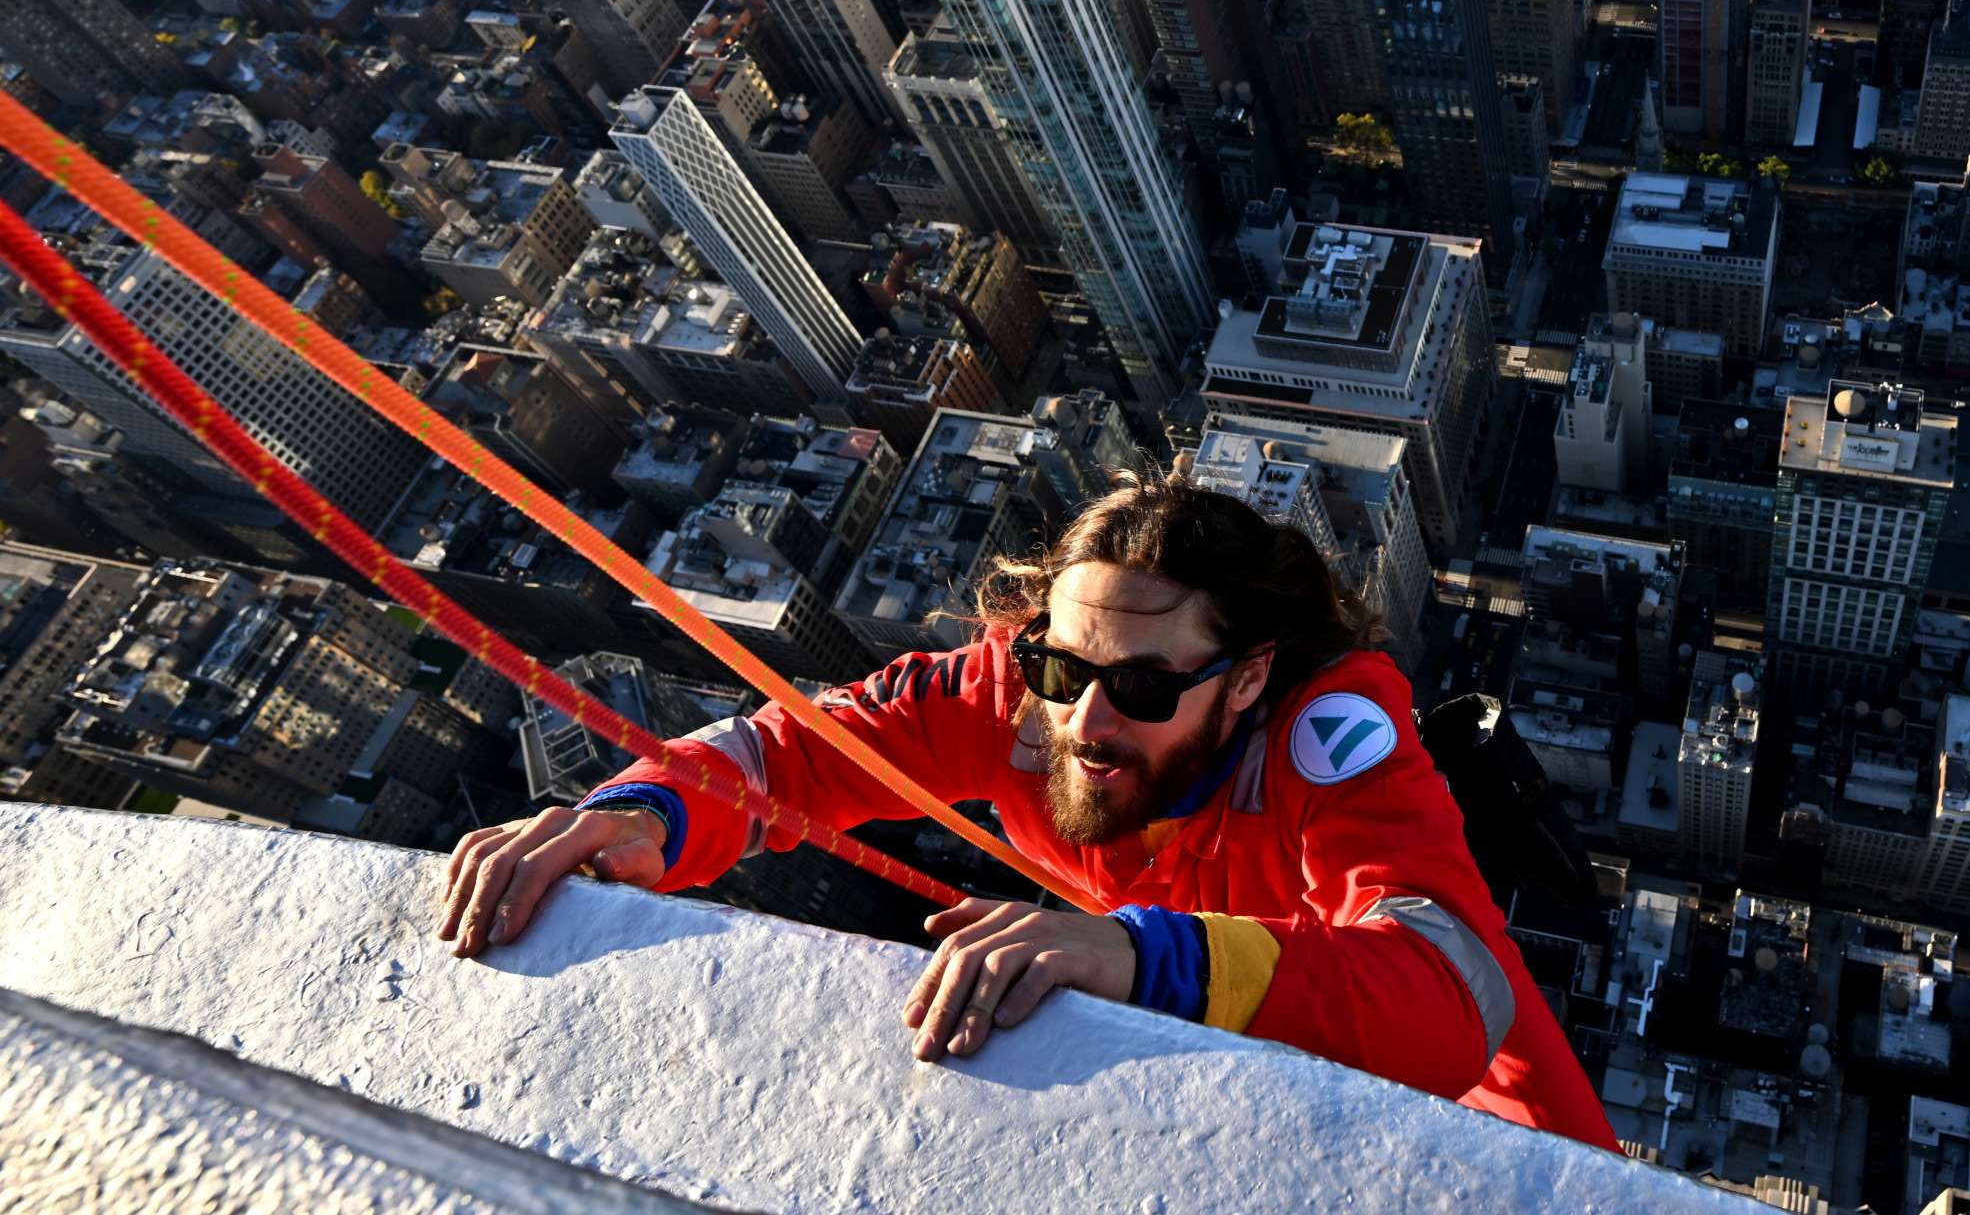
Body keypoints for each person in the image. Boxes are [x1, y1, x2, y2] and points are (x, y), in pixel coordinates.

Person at [440, 474, 1619, 1151]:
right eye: (1067, 668)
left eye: (1146, 687)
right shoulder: (1013, 691)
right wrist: (643, 813)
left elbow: (1451, 991)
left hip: (1486, 1134)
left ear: (1248, 678)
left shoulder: (1330, 739)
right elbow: (789, 752)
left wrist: (1140, 956)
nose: (1088, 721)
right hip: (1224, 1079)